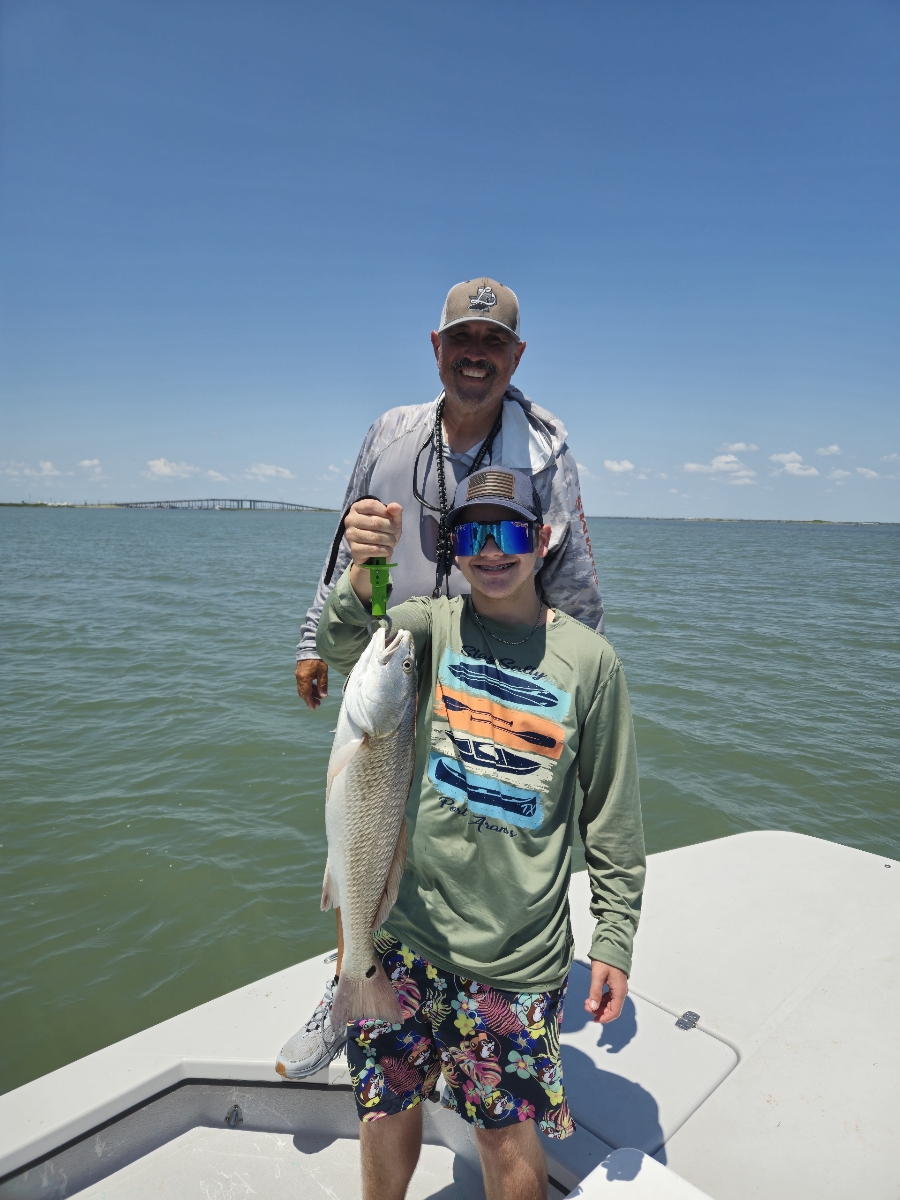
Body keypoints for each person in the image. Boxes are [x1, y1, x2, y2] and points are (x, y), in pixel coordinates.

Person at [279, 278, 605, 1080]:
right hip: (384, 662)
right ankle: (349, 985)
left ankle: (478, 998)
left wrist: (572, 698)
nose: (475, 355)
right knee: (362, 827)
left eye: (493, 343)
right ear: (436, 347)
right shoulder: (389, 431)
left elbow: (574, 581)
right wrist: (310, 638)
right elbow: (344, 537)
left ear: (516, 355)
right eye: (463, 338)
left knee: (468, 833)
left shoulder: (545, 446)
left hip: (486, 676)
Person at [302, 466, 644, 1200]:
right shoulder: (428, 626)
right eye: (472, 533)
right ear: (452, 547)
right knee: (386, 1105)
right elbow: (346, 644)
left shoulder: (591, 663)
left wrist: (614, 934)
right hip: (406, 935)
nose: (493, 550)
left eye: (512, 531)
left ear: (543, 539)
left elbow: (611, 812)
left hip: (514, 959)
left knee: (502, 1130)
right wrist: (367, 575)